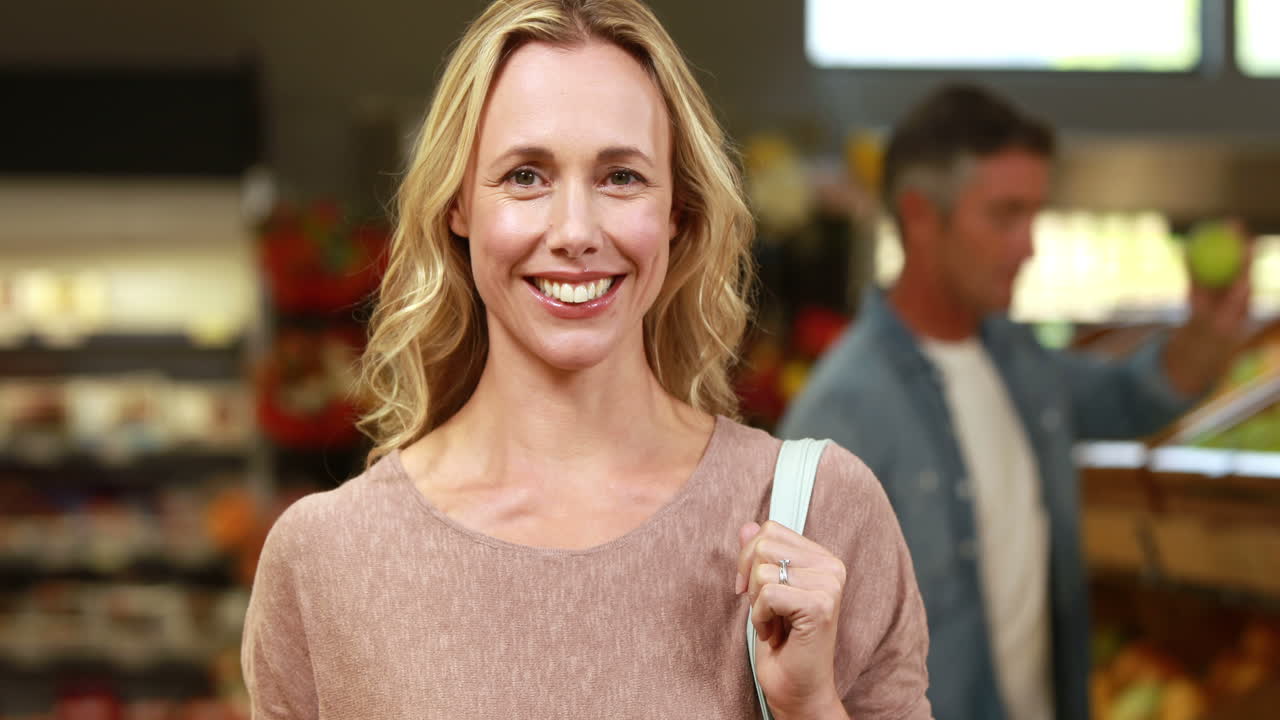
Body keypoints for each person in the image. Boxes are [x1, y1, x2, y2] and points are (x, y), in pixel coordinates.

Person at [240, 1, 933, 717]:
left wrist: (812, 706)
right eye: (525, 177)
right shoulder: (328, 557)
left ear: (678, 209)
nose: (575, 231)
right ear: (456, 206)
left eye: (621, 177)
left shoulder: (821, 516)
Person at [780, 84, 1252, 720]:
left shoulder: (1017, 360)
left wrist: (1211, 329)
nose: (1028, 246)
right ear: (921, 217)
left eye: (1034, 214)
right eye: (1005, 216)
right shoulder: (839, 419)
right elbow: (793, 662)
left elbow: (1131, 398)